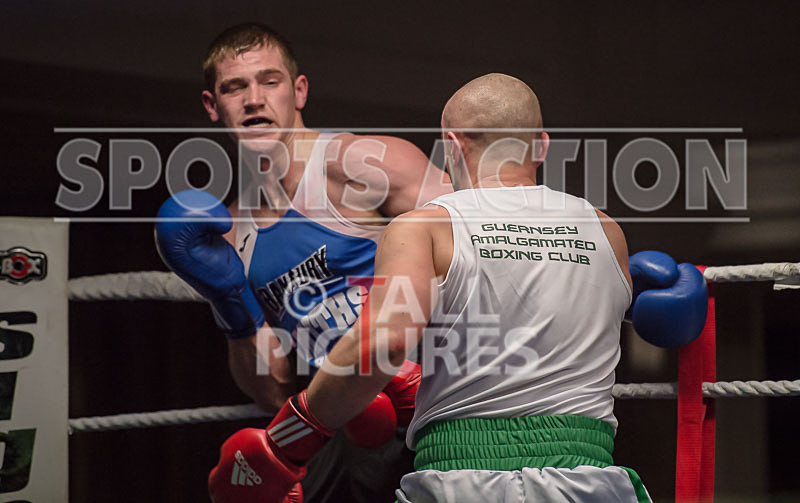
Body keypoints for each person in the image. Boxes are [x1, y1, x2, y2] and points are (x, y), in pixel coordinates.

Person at [206, 73, 708, 502]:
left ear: (450, 145)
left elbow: (384, 343)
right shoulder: (605, 230)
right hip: (591, 480)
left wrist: (287, 439)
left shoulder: (422, 228)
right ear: (542, 145)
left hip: (462, 479)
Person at [155, 23, 451, 502]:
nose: (254, 99)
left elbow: (481, 241)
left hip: (434, 397)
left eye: (269, 81)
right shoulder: (229, 230)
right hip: (336, 422)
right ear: (213, 105)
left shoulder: (362, 165)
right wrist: (230, 305)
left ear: (298, 91)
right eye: (236, 87)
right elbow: (270, 391)